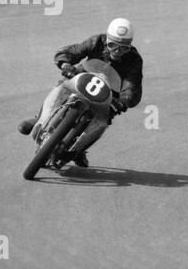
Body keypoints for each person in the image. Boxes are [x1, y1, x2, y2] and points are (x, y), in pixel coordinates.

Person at [18, 17, 142, 168]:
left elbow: (132, 84)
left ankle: (79, 150)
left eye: (124, 48)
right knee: (61, 87)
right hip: (81, 78)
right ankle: (40, 118)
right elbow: (74, 51)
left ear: (130, 46)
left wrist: (124, 100)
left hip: (108, 96)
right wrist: (65, 64)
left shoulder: (134, 60)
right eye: (112, 45)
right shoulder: (97, 41)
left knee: (102, 123)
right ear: (107, 39)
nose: (117, 51)